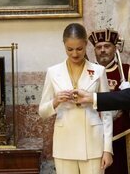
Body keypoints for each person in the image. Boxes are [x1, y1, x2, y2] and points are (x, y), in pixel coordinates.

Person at [39, 23, 113, 174]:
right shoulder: (53, 72)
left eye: (79, 49)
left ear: (86, 44)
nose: (74, 54)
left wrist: (107, 149)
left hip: (93, 144)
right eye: (69, 49)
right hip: (64, 143)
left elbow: (106, 114)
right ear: (64, 45)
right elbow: (42, 112)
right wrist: (56, 101)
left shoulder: (99, 71)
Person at [89, 28, 130, 174]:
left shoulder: (126, 71)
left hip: (120, 133)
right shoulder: (87, 71)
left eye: (107, 46)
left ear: (115, 48)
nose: (102, 50)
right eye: (99, 47)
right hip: (93, 134)